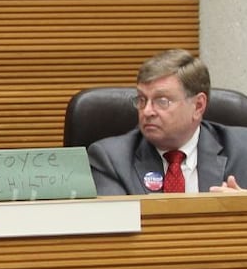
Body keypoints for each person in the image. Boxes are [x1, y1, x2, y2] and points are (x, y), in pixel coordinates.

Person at [87, 48, 247, 195]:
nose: (147, 111)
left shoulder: (242, 149)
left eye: (162, 101)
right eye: (142, 99)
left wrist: (240, 207)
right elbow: (118, 217)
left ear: (198, 106)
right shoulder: (111, 159)